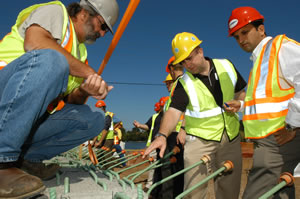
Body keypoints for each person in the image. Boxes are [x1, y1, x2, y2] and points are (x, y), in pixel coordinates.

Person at [0, 0, 119, 198]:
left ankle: (23, 161)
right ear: (84, 13)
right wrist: (89, 72)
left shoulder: (80, 54)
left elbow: (71, 101)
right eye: (103, 25)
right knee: (53, 60)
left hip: (22, 121)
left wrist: (84, 91)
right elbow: (34, 42)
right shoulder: (56, 12)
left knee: (95, 118)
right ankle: (3, 160)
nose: (103, 34)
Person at [144, 32, 247, 199]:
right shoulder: (183, 84)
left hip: (230, 137)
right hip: (200, 140)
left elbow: (240, 92)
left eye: (189, 58)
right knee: (193, 191)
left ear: (200, 51)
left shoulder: (227, 65)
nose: (187, 64)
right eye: (183, 61)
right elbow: (173, 112)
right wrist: (162, 135)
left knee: (229, 190)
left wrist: (240, 104)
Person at [227, 7, 300, 199]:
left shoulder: (280, 48)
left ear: (261, 29)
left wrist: (292, 125)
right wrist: (241, 106)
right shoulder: (259, 62)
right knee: (280, 191)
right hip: (269, 140)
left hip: (278, 139)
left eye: (245, 32)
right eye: (236, 37)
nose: (241, 40)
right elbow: (268, 100)